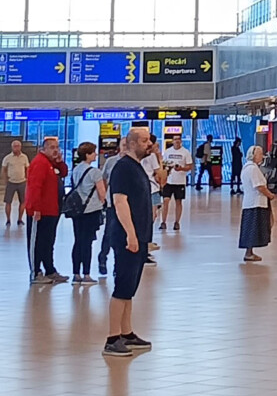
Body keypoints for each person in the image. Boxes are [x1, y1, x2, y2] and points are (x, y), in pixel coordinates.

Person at [104, 124, 158, 356]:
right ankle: (112, 337)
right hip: (127, 237)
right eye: (145, 141)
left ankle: (127, 332)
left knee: (130, 288)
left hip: (140, 235)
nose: (150, 144)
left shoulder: (137, 167)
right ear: (133, 143)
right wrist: (131, 234)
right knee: (122, 287)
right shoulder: (123, 167)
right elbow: (120, 201)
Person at [64, 142, 107, 284]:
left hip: (77, 210)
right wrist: (104, 203)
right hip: (91, 210)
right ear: (88, 155)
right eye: (93, 152)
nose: (95, 154)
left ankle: (76, 273)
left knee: (78, 241)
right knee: (87, 242)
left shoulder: (76, 169)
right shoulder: (95, 172)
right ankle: (87, 274)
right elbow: (102, 193)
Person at [25, 135, 65, 281]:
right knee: (37, 242)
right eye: (52, 148)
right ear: (43, 149)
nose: (55, 150)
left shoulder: (51, 163)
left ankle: (50, 269)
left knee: (48, 241)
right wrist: (36, 208)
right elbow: (35, 187)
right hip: (40, 210)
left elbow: (64, 173)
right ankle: (35, 272)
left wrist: (59, 162)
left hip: (52, 209)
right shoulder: (40, 163)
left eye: (57, 147)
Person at [239, 144, 273, 261]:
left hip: (251, 202)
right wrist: (270, 195)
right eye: (260, 154)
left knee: (251, 228)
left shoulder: (248, 168)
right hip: (255, 203)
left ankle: (250, 252)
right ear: (253, 155)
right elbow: (259, 186)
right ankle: (249, 253)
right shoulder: (252, 169)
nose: (262, 157)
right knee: (252, 229)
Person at [158, 132, 191, 234]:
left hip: (180, 181)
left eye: (178, 139)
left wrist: (181, 168)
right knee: (166, 201)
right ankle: (163, 221)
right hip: (169, 180)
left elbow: (190, 166)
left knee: (178, 202)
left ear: (181, 141)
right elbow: (163, 165)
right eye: (175, 139)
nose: (177, 141)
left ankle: (177, 222)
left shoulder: (185, 152)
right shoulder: (168, 152)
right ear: (172, 141)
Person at [0, 137, 30, 230]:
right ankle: (8, 219)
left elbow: (27, 168)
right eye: (14, 146)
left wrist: (28, 179)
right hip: (11, 182)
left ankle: (20, 219)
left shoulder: (24, 157)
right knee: (8, 202)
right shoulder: (7, 158)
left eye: (18, 146)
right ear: (12, 147)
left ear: (20, 147)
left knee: (23, 202)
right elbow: (4, 169)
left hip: (22, 181)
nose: (16, 148)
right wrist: (5, 180)